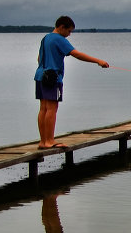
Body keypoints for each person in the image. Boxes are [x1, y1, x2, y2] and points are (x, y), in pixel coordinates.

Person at [35, 16, 109, 149]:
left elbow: (39, 57)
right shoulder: (59, 39)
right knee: (52, 109)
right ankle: (50, 141)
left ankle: (43, 141)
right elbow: (77, 54)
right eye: (69, 31)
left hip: (40, 76)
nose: (69, 34)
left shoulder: (46, 38)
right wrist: (98, 61)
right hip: (53, 78)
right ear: (62, 27)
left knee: (43, 108)